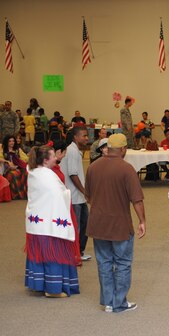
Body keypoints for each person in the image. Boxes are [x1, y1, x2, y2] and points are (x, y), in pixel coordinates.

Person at [85, 134, 146, 313]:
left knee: (103, 262)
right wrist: (142, 221)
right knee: (123, 263)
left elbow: (88, 196)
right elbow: (137, 200)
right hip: (120, 225)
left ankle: (108, 302)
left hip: (97, 224)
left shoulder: (93, 167)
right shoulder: (127, 169)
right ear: (123, 149)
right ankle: (119, 302)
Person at [24, 146, 80, 297]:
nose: (56, 158)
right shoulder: (47, 175)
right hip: (49, 222)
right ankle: (53, 289)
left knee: (40, 252)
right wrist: (67, 193)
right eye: (52, 156)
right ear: (45, 160)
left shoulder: (34, 172)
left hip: (37, 220)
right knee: (53, 253)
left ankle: (39, 283)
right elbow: (58, 195)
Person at [60, 126, 91, 261]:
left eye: (86, 136)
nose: (86, 138)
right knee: (77, 226)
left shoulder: (75, 150)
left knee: (85, 224)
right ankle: (74, 253)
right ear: (75, 137)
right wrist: (85, 192)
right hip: (74, 196)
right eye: (83, 136)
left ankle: (79, 251)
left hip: (79, 196)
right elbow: (73, 174)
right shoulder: (72, 151)